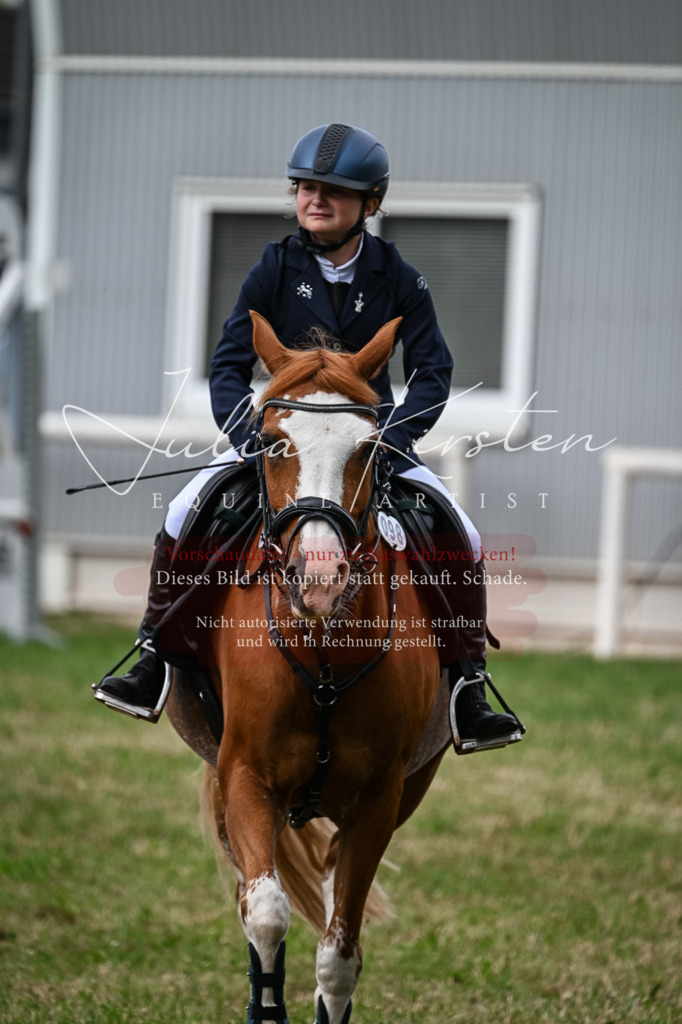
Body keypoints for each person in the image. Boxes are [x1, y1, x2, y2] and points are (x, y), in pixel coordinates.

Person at [96, 123, 518, 745]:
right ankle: (155, 655)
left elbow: (435, 373)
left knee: (466, 532)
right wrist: (251, 439)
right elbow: (228, 366)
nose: (315, 199)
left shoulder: (400, 275)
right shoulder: (272, 268)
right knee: (186, 509)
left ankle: (468, 687)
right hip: (283, 443)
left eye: (334, 191)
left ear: (370, 204)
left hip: (366, 447)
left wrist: (390, 440)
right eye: (305, 187)